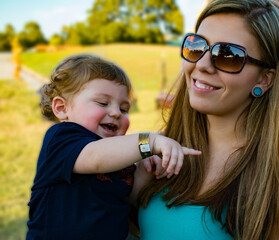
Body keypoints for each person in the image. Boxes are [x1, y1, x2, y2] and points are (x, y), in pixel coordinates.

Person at [138, 0, 279, 239]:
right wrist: (141, 148)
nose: (202, 65)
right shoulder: (157, 153)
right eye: (197, 46)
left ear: (264, 79)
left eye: (228, 56)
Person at [26, 54, 201, 240]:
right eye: (103, 103)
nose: (116, 113)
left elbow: (130, 199)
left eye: (124, 108)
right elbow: (95, 158)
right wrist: (148, 142)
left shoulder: (119, 156)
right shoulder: (60, 139)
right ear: (62, 108)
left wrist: (144, 170)